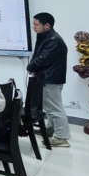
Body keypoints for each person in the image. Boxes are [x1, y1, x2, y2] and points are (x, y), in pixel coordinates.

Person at [27, 13, 71, 148]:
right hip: (49, 77)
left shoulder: (53, 40)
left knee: (54, 108)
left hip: (50, 79)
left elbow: (43, 59)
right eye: (33, 24)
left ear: (47, 25)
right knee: (50, 107)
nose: (33, 27)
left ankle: (61, 137)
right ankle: (51, 130)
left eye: (36, 24)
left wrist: (30, 67)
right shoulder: (46, 37)